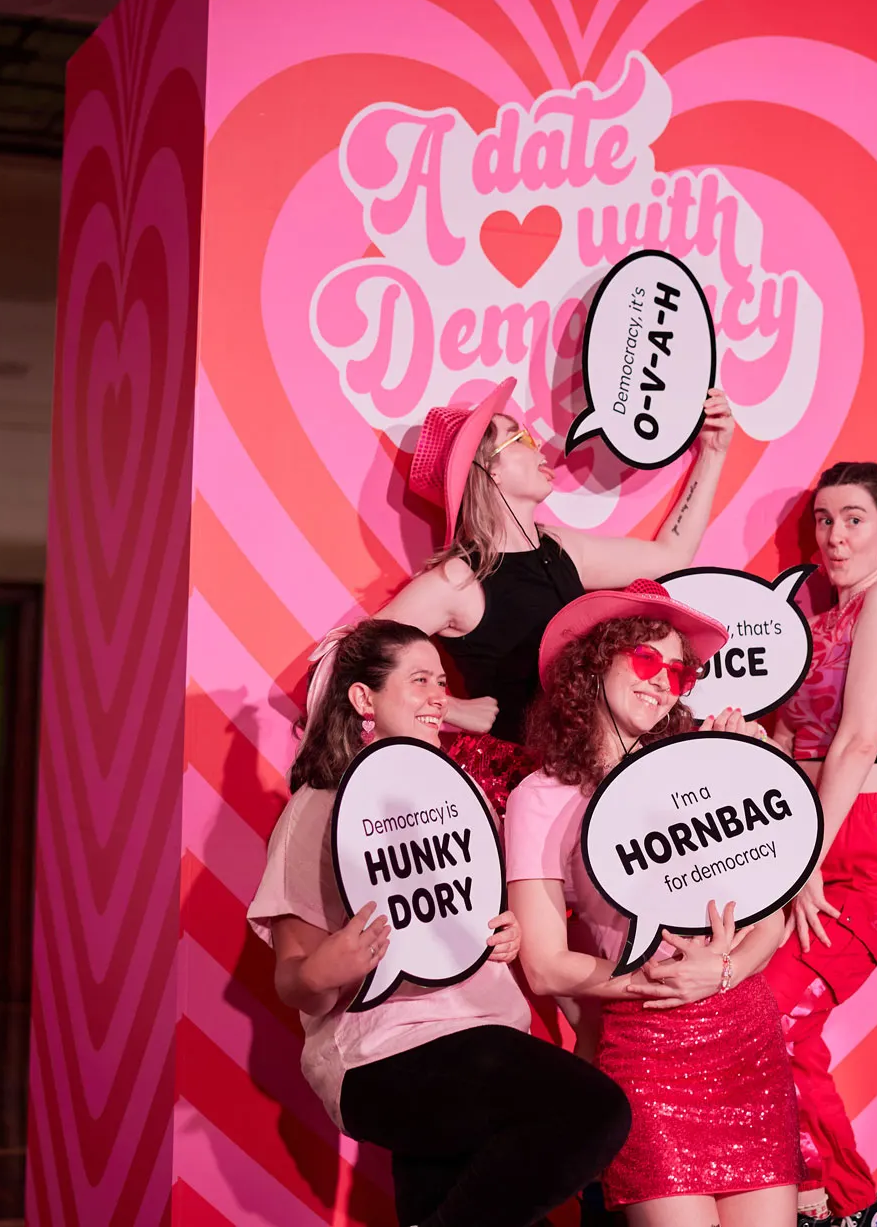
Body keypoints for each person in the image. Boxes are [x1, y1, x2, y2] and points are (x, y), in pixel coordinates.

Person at [251, 619, 632, 1227]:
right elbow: (294, 980)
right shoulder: (319, 806)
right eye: (421, 679)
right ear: (363, 698)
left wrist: (504, 933)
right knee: (593, 1111)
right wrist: (334, 964)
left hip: (488, 1031)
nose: (439, 695)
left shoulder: (465, 796)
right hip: (386, 1053)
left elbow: (470, 915)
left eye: (442, 680)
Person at [503, 581, 803, 1225]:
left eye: (677, 670)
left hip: (745, 1041)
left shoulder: (702, 766)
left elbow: (770, 919)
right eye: (645, 661)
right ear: (594, 663)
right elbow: (546, 967)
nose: (663, 683)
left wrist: (720, 971)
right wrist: (652, 979)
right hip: (648, 1050)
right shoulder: (542, 796)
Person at [377, 376, 737, 756]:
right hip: (518, 776)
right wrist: (447, 707)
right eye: (522, 440)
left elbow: (672, 553)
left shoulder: (561, 548)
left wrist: (713, 452)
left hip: (585, 765)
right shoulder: (459, 580)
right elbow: (350, 658)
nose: (540, 451)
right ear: (488, 469)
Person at [764, 461, 877, 1227]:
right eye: (824, 520)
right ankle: (826, 1198)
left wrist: (805, 852)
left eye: (854, 518)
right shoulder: (812, 614)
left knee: (776, 1013)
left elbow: (859, 738)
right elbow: (793, 736)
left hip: (864, 847)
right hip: (808, 830)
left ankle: (844, 1201)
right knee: (749, 1015)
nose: (834, 535)